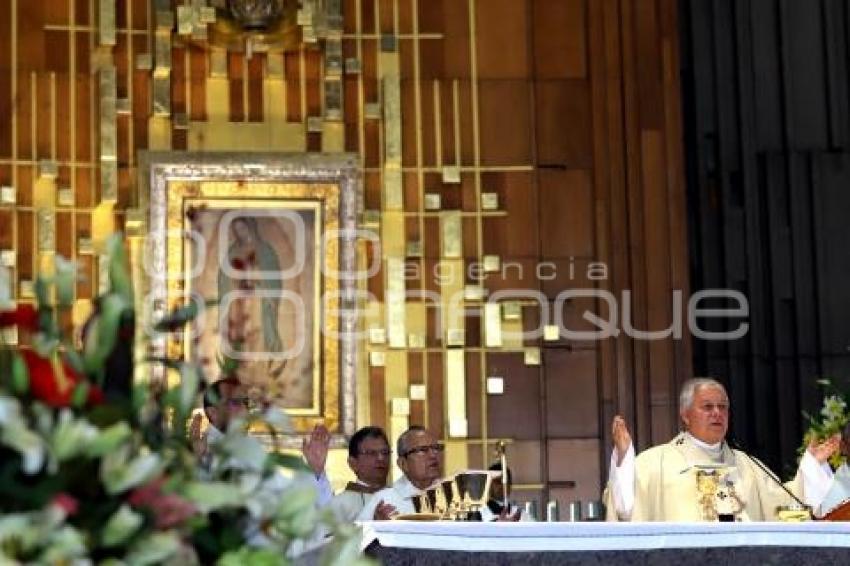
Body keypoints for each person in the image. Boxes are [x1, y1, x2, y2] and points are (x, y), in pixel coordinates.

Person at [604, 377, 839, 521]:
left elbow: (786, 505)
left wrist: (812, 467)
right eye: (707, 406)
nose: (717, 413)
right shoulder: (656, 463)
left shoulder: (747, 465)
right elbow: (626, 508)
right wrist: (624, 460)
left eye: (723, 407)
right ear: (685, 415)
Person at [217, 216, 286, 378]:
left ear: (250, 228)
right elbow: (224, 277)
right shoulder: (233, 251)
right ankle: (240, 372)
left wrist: (257, 277)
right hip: (238, 301)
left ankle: (260, 372)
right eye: (236, 230)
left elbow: (273, 276)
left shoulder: (265, 250)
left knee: (258, 331)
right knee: (240, 333)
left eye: (242, 228)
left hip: (258, 300)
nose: (239, 233)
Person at [357, 426, 445, 520]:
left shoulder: (452, 493)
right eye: (422, 450)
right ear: (403, 464)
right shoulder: (384, 501)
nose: (433, 455)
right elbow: (357, 534)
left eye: (436, 448)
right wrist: (377, 524)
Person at [328, 426, 392, 521]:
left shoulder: (401, 497)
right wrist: (374, 524)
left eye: (385, 452)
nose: (380, 458)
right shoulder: (339, 504)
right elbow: (328, 536)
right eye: (371, 453)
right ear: (353, 463)